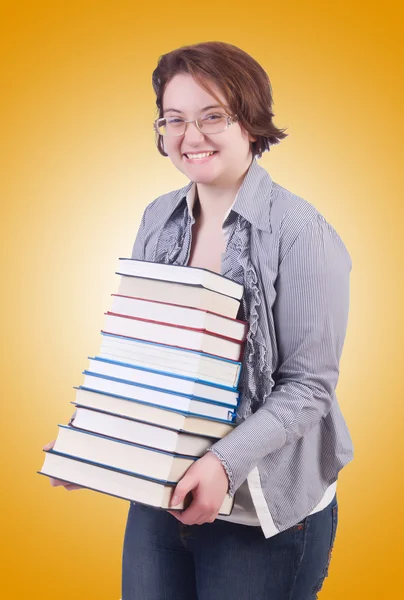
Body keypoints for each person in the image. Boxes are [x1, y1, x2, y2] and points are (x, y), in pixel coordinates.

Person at [44, 41, 354, 599]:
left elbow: (309, 389)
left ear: (251, 121)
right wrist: (98, 445)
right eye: (174, 119)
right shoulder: (158, 217)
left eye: (213, 116)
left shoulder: (300, 232)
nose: (191, 136)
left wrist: (222, 462)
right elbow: (143, 349)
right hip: (161, 493)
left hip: (262, 509)